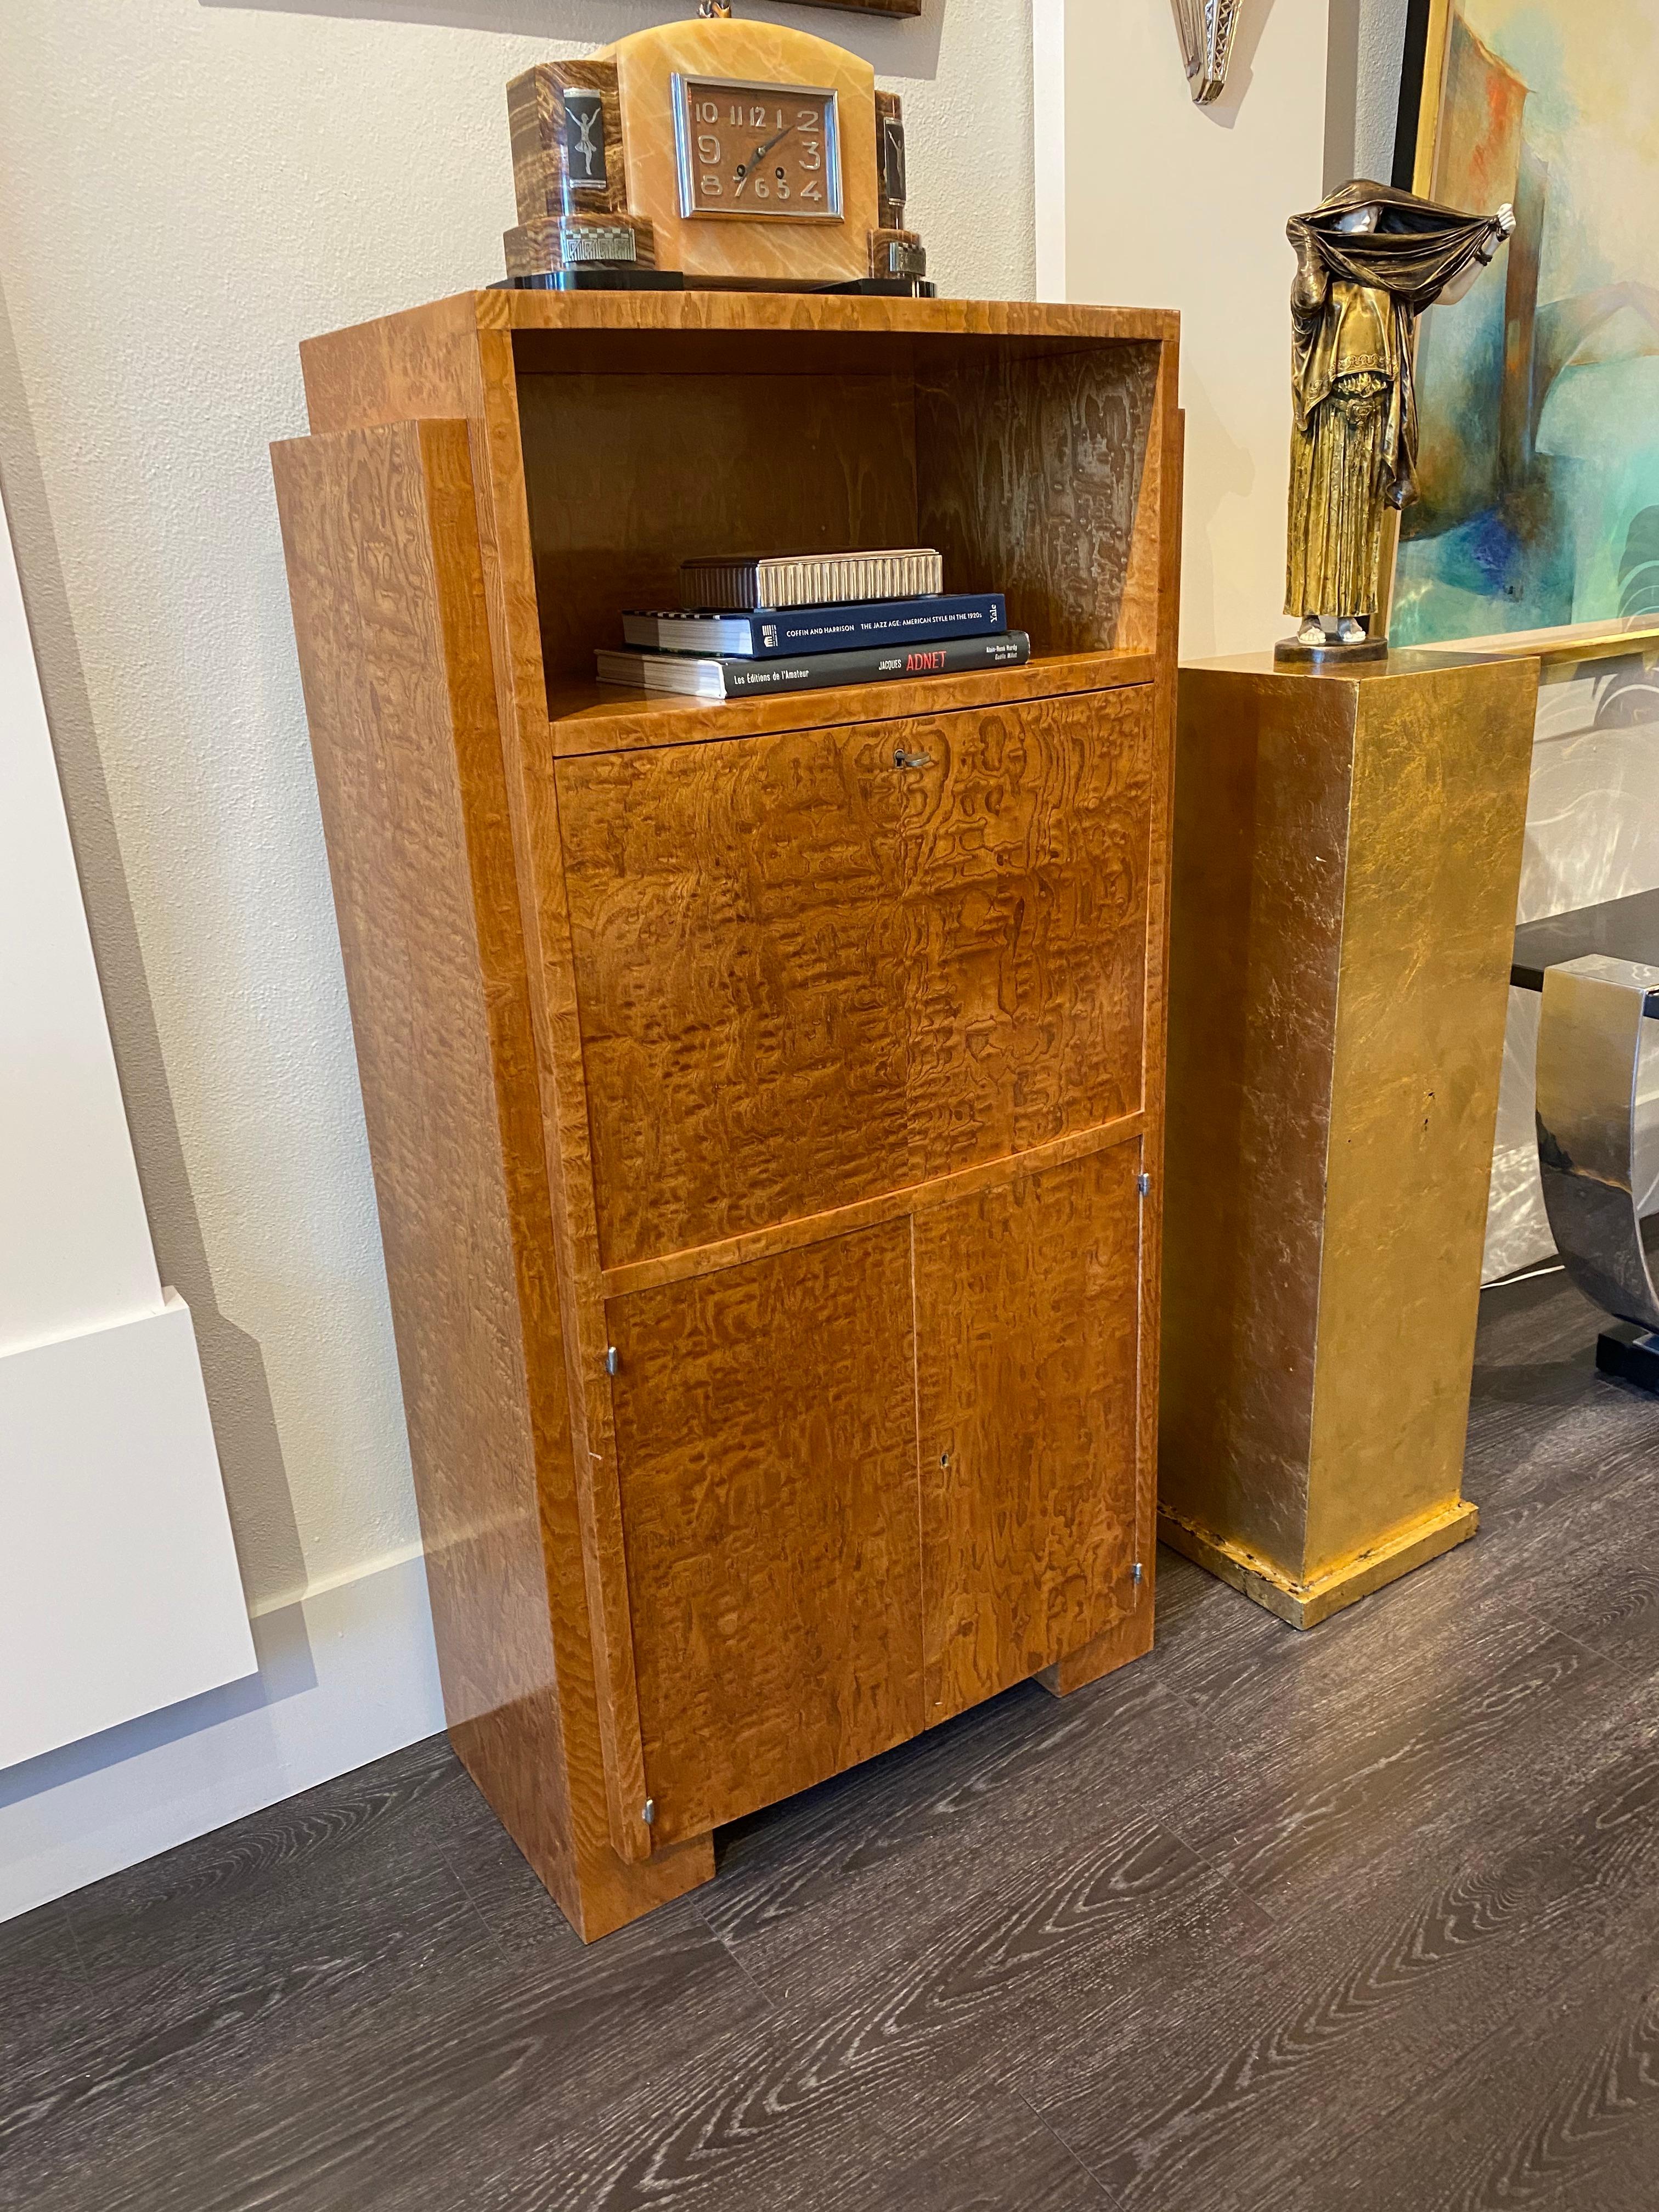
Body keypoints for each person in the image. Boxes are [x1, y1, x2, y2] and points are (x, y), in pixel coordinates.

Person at [1286, 179, 1516, 649]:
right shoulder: (1322, 272)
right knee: (1320, 511)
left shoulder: (1393, 276)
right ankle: (1311, 613)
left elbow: (1449, 292)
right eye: (1358, 212)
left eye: (1375, 213)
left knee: (1362, 519)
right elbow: (1306, 301)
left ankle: (1350, 615)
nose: (1369, 221)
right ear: (1336, 216)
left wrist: (1490, 241)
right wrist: (1306, 243)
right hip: (1330, 410)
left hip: (1376, 411)